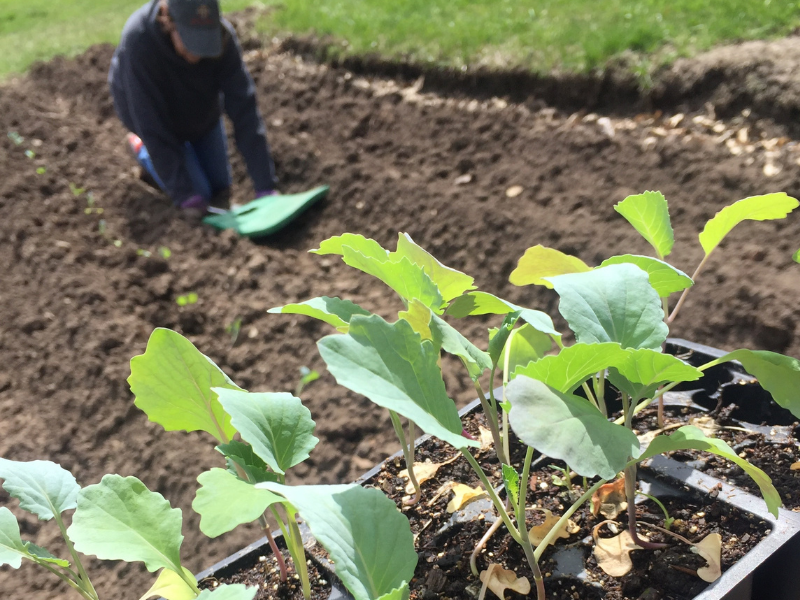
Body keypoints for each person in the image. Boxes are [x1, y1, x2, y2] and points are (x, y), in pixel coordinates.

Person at [109, 0, 277, 213]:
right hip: (149, 115)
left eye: (205, 42)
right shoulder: (139, 42)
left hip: (199, 108)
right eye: (191, 41)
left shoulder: (224, 36)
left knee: (219, 186)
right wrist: (184, 195)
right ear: (168, 21)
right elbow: (151, 123)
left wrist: (265, 186)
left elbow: (244, 108)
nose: (198, 54)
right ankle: (141, 149)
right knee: (199, 194)